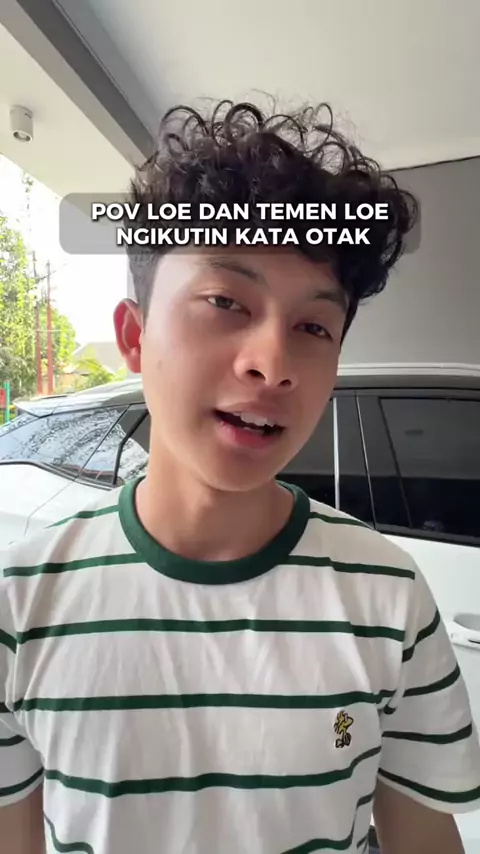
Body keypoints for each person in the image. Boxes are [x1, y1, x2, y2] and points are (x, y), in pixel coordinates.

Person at [1, 100, 479, 854]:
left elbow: (424, 838)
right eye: (225, 302)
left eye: (313, 326)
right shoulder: (20, 604)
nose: (273, 362)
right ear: (134, 335)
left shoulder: (389, 595)